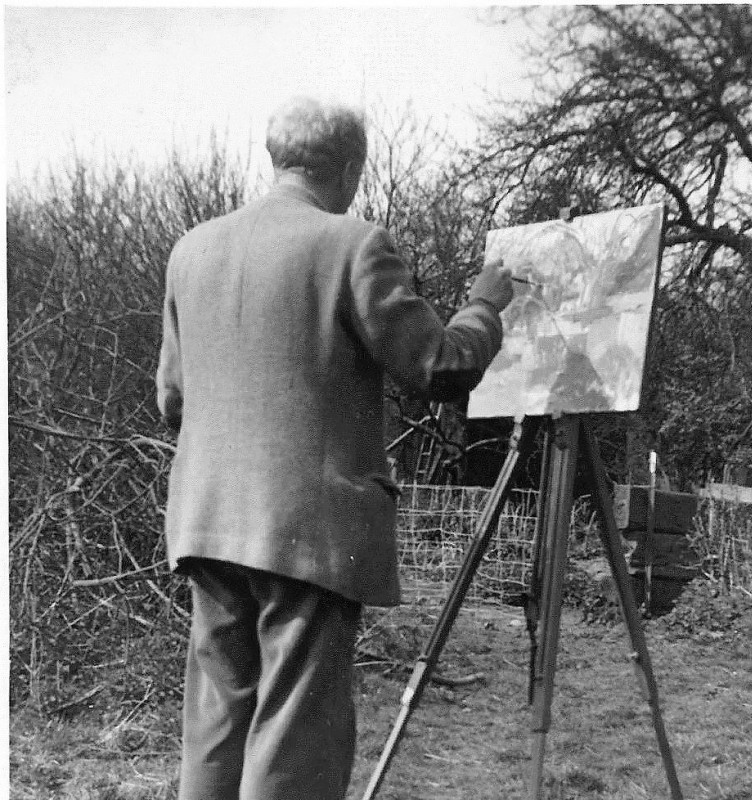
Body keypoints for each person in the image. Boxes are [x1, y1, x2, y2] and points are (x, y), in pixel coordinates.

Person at [155, 96, 513, 800]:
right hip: (306, 534)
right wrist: (486, 306)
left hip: (205, 520)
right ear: (350, 168)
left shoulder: (191, 249)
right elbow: (438, 365)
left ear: (276, 158)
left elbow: (172, 398)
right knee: (295, 734)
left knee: (218, 722)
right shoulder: (352, 243)